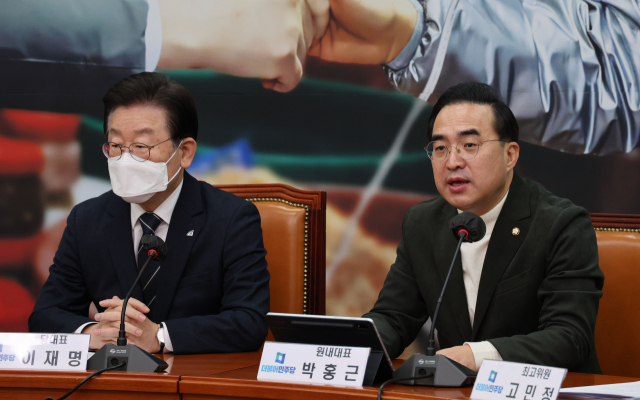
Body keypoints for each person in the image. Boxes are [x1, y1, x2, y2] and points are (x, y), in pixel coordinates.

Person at [362, 82, 604, 373]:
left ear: (509, 155)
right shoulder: (422, 223)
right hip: (456, 391)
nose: (452, 162)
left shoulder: (561, 224)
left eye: (469, 145)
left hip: (548, 389)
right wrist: (349, 343)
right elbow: (393, 317)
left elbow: (570, 337)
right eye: (440, 148)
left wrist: (474, 356)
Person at [29, 72, 271, 355]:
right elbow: (45, 315)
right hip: (112, 377)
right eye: (116, 146)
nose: (125, 160)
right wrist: (95, 333)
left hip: (193, 375)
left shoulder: (231, 218)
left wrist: (160, 336)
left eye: (141, 147)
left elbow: (249, 322)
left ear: (185, 152)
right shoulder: (87, 219)